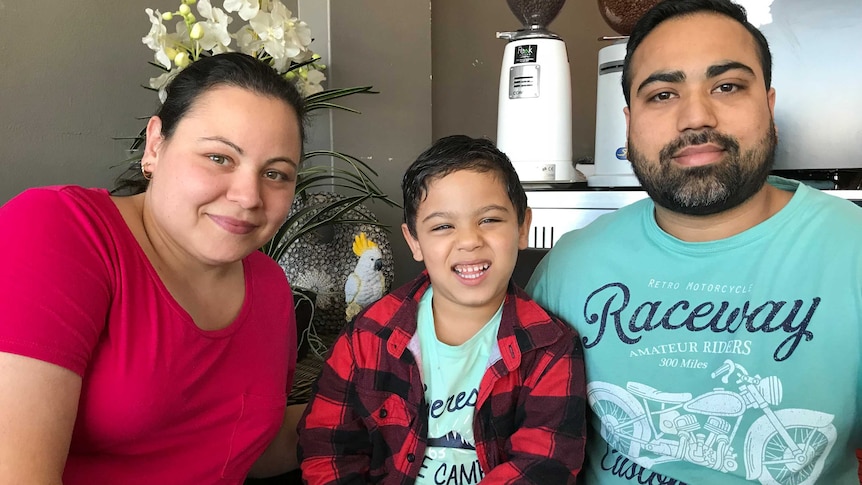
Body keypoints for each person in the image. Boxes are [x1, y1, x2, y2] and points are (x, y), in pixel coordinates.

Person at [526, 0, 862, 483]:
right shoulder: (570, 268)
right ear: (629, 121)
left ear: (768, 105)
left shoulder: (851, 252)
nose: (696, 116)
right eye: (662, 94)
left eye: (726, 86)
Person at [0, 52, 306, 484]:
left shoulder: (270, 284)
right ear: (156, 145)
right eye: (219, 158)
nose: (249, 196)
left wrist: (373, 409)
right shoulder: (58, 229)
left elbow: (236, 452)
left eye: (275, 174)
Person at [298, 135, 587, 484]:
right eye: (443, 226)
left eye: (490, 220)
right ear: (414, 242)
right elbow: (326, 451)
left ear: (523, 227)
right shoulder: (367, 336)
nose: (468, 240)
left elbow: (544, 466)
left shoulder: (551, 346)